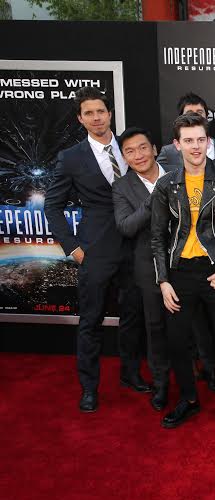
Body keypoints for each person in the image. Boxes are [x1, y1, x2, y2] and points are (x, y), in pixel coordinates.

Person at [44, 86, 149, 412]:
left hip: (134, 247)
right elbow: (52, 206)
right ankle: (89, 387)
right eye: (88, 113)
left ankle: (130, 374)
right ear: (80, 119)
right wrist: (72, 247)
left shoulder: (130, 147)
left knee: (133, 316)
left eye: (100, 111)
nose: (96, 118)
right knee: (91, 321)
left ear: (110, 113)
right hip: (95, 251)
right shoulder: (71, 158)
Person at [150, 113, 215, 432]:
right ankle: (189, 400)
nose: (195, 146)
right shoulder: (166, 183)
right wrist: (163, 281)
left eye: (200, 140)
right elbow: (157, 237)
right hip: (180, 274)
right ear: (176, 144)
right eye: (188, 140)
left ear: (208, 142)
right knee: (177, 342)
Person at [113, 127, 171, 411]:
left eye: (143, 147)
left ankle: (205, 374)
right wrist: (155, 197)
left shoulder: (177, 173)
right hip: (148, 266)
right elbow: (126, 226)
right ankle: (161, 385)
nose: (138, 155)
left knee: (195, 324)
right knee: (155, 327)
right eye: (130, 151)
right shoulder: (122, 187)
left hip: (187, 261)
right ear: (124, 158)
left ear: (154, 149)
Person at [157, 92, 215, 172]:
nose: (195, 116)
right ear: (181, 117)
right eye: (190, 113)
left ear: (207, 117)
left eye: (199, 112)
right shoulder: (168, 152)